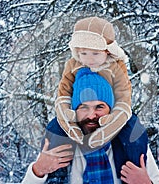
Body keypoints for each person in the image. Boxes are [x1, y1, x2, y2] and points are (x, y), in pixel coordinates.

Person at [22, 68, 159, 184]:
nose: (91, 115)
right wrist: (38, 170)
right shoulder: (58, 146)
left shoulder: (131, 142)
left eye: (99, 107)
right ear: (74, 112)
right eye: (84, 107)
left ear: (111, 110)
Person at [56, 16, 132, 148]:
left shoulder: (116, 66)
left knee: (130, 130)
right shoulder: (73, 65)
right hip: (81, 108)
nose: (89, 59)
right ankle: (73, 133)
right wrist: (65, 111)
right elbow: (64, 89)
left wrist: (116, 115)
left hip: (107, 109)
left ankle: (131, 159)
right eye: (84, 54)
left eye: (95, 53)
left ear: (107, 51)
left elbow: (123, 92)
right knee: (54, 127)